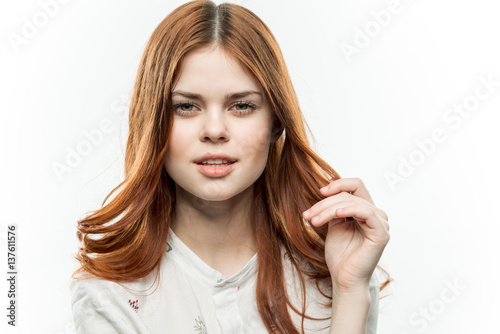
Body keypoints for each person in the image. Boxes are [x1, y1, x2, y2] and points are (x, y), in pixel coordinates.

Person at [69, 1, 392, 333]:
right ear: (152, 122)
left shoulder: (339, 273)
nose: (214, 130)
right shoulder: (108, 295)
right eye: (185, 107)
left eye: (241, 105)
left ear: (276, 122)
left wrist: (351, 290)